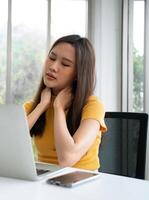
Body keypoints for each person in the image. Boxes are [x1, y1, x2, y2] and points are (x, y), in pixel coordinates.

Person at [24, 34, 107, 171]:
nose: (53, 67)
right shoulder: (33, 106)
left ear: (78, 74)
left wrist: (59, 108)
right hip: (44, 178)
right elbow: (7, 147)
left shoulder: (92, 105)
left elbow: (66, 159)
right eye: (51, 57)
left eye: (65, 64)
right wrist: (41, 107)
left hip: (81, 181)